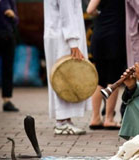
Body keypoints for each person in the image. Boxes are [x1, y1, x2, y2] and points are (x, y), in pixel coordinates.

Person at [44, 0, 90, 135]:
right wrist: (73, 42)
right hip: (63, 38)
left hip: (59, 35)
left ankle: (65, 120)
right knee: (63, 77)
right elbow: (67, 14)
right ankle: (62, 121)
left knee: (61, 76)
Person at [86, 0, 126, 130]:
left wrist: (100, 13)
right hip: (116, 34)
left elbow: (90, 10)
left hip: (99, 34)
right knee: (113, 77)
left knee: (100, 78)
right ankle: (109, 118)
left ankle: (95, 118)